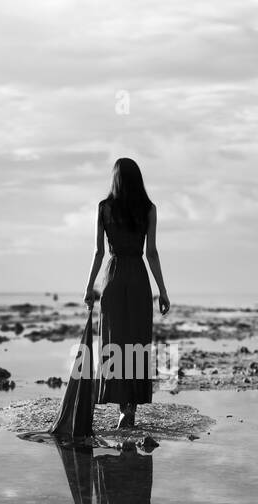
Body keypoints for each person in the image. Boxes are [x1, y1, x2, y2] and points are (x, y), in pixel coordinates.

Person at [83, 158, 170, 430]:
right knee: (137, 342)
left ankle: (122, 409)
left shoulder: (104, 208)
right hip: (139, 278)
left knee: (115, 341)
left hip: (114, 276)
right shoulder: (149, 209)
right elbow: (152, 253)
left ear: (116, 179)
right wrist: (162, 290)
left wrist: (89, 287)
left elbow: (98, 252)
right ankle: (130, 407)